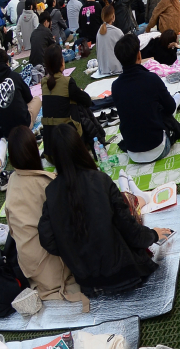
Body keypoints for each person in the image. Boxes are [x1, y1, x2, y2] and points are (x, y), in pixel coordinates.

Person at [38, 123, 169, 297]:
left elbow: (48, 240)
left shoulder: (52, 191)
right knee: (128, 209)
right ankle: (137, 196)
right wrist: (153, 235)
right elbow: (130, 230)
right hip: (123, 274)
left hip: (87, 282)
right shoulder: (100, 180)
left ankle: (135, 195)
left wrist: (73, 251)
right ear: (81, 148)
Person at [3, 125, 86, 308]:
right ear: (33, 151)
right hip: (54, 271)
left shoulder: (13, 180)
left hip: (29, 268)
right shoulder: (47, 184)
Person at [111, 35, 180, 163]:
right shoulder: (151, 79)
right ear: (139, 55)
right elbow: (170, 108)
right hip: (158, 148)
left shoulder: (115, 86)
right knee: (166, 106)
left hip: (132, 151)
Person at [39, 46, 95, 143]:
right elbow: (87, 101)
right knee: (79, 105)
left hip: (50, 142)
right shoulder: (67, 82)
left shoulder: (44, 82)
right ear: (61, 62)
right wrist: (80, 92)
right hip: (68, 139)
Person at [0, 50, 38, 140]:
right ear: (7, 63)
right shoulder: (14, 76)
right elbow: (29, 98)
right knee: (37, 100)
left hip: (5, 133)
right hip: (24, 127)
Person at [93, 4, 124, 76]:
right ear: (113, 17)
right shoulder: (117, 32)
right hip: (117, 68)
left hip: (103, 68)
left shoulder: (99, 32)